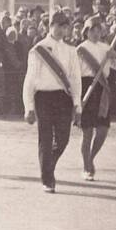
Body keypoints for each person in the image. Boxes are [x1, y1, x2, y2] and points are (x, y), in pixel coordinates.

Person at [22, 11, 83, 193]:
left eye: (64, 26)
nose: (60, 29)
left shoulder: (71, 50)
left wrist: (77, 104)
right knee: (46, 138)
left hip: (63, 98)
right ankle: (47, 179)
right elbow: (30, 80)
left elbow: (75, 79)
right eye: (57, 25)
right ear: (50, 26)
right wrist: (29, 107)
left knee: (63, 139)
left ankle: (48, 165)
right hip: (44, 98)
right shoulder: (38, 49)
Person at [76, 16, 116, 180]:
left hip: (102, 88)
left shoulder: (106, 48)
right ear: (86, 32)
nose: (96, 33)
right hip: (86, 86)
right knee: (87, 131)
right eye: (92, 30)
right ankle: (86, 166)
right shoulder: (81, 49)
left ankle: (91, 158)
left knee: (103, 129)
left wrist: (115, 56)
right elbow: (74, 72)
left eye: (98, 30)